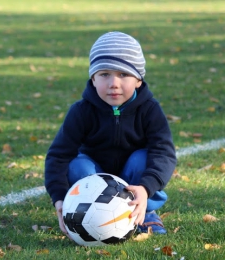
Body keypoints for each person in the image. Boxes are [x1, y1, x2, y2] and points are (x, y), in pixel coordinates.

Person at [45, 31, 176, 237]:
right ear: (93, 79)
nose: (113, 83)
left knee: (142, 158)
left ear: (139, 80)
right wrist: (60, 199)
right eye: (104, 74)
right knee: (78, 165)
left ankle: (146, 210)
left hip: (133, 179)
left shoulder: (149, 110)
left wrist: (146, 187)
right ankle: (87, 215)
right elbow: (58, 156)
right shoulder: (81, 111)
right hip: (94, 176)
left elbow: (164, 154)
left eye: (123, 74)